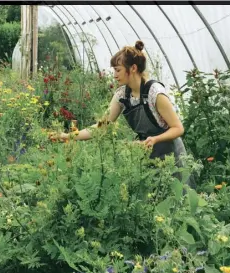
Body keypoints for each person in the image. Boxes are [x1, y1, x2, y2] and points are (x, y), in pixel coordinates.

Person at [51, 40, 190, 184]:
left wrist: (155, 139)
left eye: (118, 70)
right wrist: (68, 136)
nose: (115, 75)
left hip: (171, 156)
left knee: (177, 199)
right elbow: (101, 127)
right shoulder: (122, 95)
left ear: (133, 68)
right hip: (148, 154)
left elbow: (178, 128)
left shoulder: (155, 93)